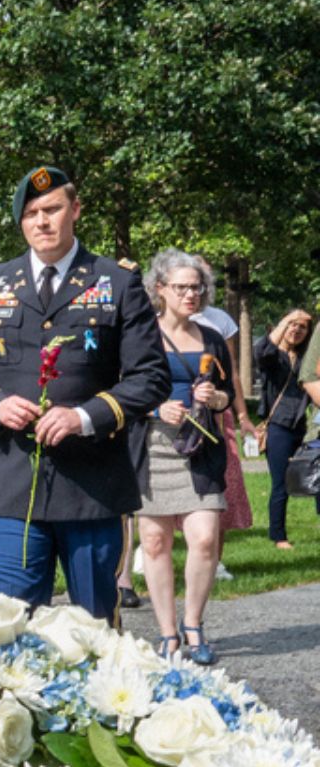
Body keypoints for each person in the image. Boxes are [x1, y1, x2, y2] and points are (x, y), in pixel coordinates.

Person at [0, 167, 169, 620]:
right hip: (14, 487)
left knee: (92, 627)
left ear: (75, 210)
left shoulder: (117, 281)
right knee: (10, 627)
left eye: (51, 209)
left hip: (92, 489)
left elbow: (150, 377)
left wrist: (84, 417)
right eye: (31, 214)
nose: (42, 221)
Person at [134, 249, 237, 665]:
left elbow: (229, 393)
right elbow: (121, 393)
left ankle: (194, 624)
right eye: (181, 287)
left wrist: (215, 398)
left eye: (197, 287)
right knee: (155, 542)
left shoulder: (211, 337)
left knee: (205, 539)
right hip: (153, 446)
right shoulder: (140, 336)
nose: (191, 295)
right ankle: (168, 633)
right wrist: (156, 409)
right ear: (160, 289)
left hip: (199, 447)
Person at [193, 302, 256, 536]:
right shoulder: (154, 318)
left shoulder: (219, 319)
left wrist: (243, 415)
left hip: (216, 413)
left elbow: (232, 374)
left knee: (221, 482)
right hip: (172, 413)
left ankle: (214, 556)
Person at [258, 308, 315, 546]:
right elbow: (261, 351)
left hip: (304, 426)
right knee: (280, 484)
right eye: (294, 325)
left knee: (316, 477)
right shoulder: (273, 359)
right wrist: (286, 320)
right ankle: (278, 536)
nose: (297, 330)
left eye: (303, 327)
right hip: (279, 427)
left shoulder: (307, 360)